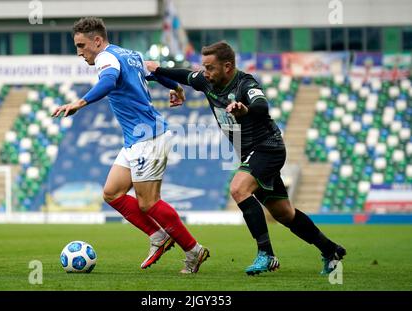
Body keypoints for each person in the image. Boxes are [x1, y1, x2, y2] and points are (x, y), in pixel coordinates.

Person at [145, 41, 346, 275]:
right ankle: (330, 249)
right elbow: (185, 75)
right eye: (204, 67)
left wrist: (246, 110)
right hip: (249, 151)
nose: (205, 72)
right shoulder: (206, 81)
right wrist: (157, 70)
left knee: (239, 189)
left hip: (268, 147)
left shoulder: (245, 83)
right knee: (283, 213)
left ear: (228, 66)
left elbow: (262, 105)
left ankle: (267, 255)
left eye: (210, 68)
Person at [52, 17, 209, 274]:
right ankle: (158, 236)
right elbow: (153, 72)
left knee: (148, 203)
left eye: (81, 45)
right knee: (112, 193)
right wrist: (176, 87)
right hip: (136, 140)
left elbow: (109, 81)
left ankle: (194, 251)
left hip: (149, 138)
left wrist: (80, 103)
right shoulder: (130, 55)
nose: (79, 52)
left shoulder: (105, 59)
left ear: (97, 41)